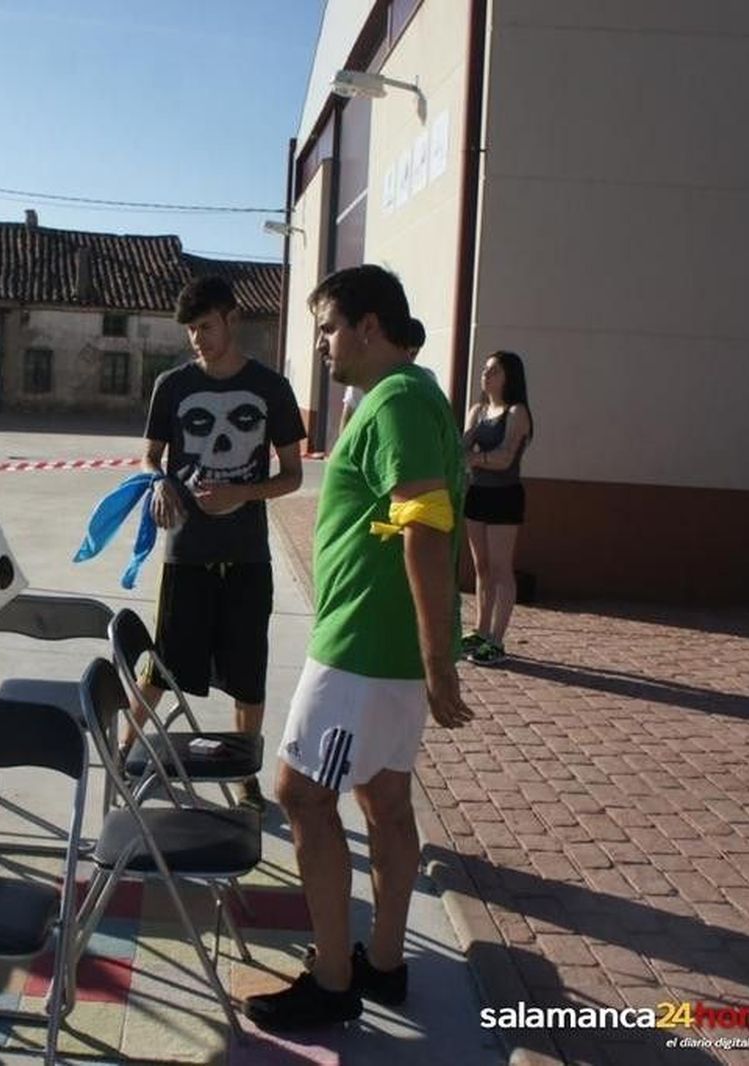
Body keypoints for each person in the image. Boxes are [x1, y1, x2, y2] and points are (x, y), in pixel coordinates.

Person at [243, 265, 473, 1031]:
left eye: (329, 328)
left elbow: (426, 527)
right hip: (384, 651)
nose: (322, 344)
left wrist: (440, 661)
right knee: (383, 801)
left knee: (302, 794)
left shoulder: (399, 400)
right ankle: (383, 963)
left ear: (370, 327)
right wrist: (431, 656)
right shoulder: (418, 395)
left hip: (361, 652)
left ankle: (336, 979)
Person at [129, 275, 306, 808]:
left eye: (205, 327)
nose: (197, 339)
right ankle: (126, 750)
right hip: (186, 551)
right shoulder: (173, 386)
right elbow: (149, 456)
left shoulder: (271, 388)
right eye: (190, 331)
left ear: (232, 318)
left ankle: (245, 769)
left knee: (248, 670)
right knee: (163, 663)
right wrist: (159, 481)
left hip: (248, 554)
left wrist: (243, 493)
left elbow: (294, 475)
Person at [460, 350, 533, 665]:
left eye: (494, 371)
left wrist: (475, 458)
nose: (485, 375)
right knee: (482, 567)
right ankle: (479, 630)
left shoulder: (517, 413)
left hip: (505, 496)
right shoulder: (477, 411)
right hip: (477, 493)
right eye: (485, 370)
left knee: (502, 568)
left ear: (509, 377)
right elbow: (461, 447)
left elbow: (505, 458)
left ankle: (497, 640)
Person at [339, 316, 425, 434]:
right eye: (407, 351)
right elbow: (347, 420)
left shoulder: (425, 379)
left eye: (414, 353)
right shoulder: (366, 376)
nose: (409, 358)